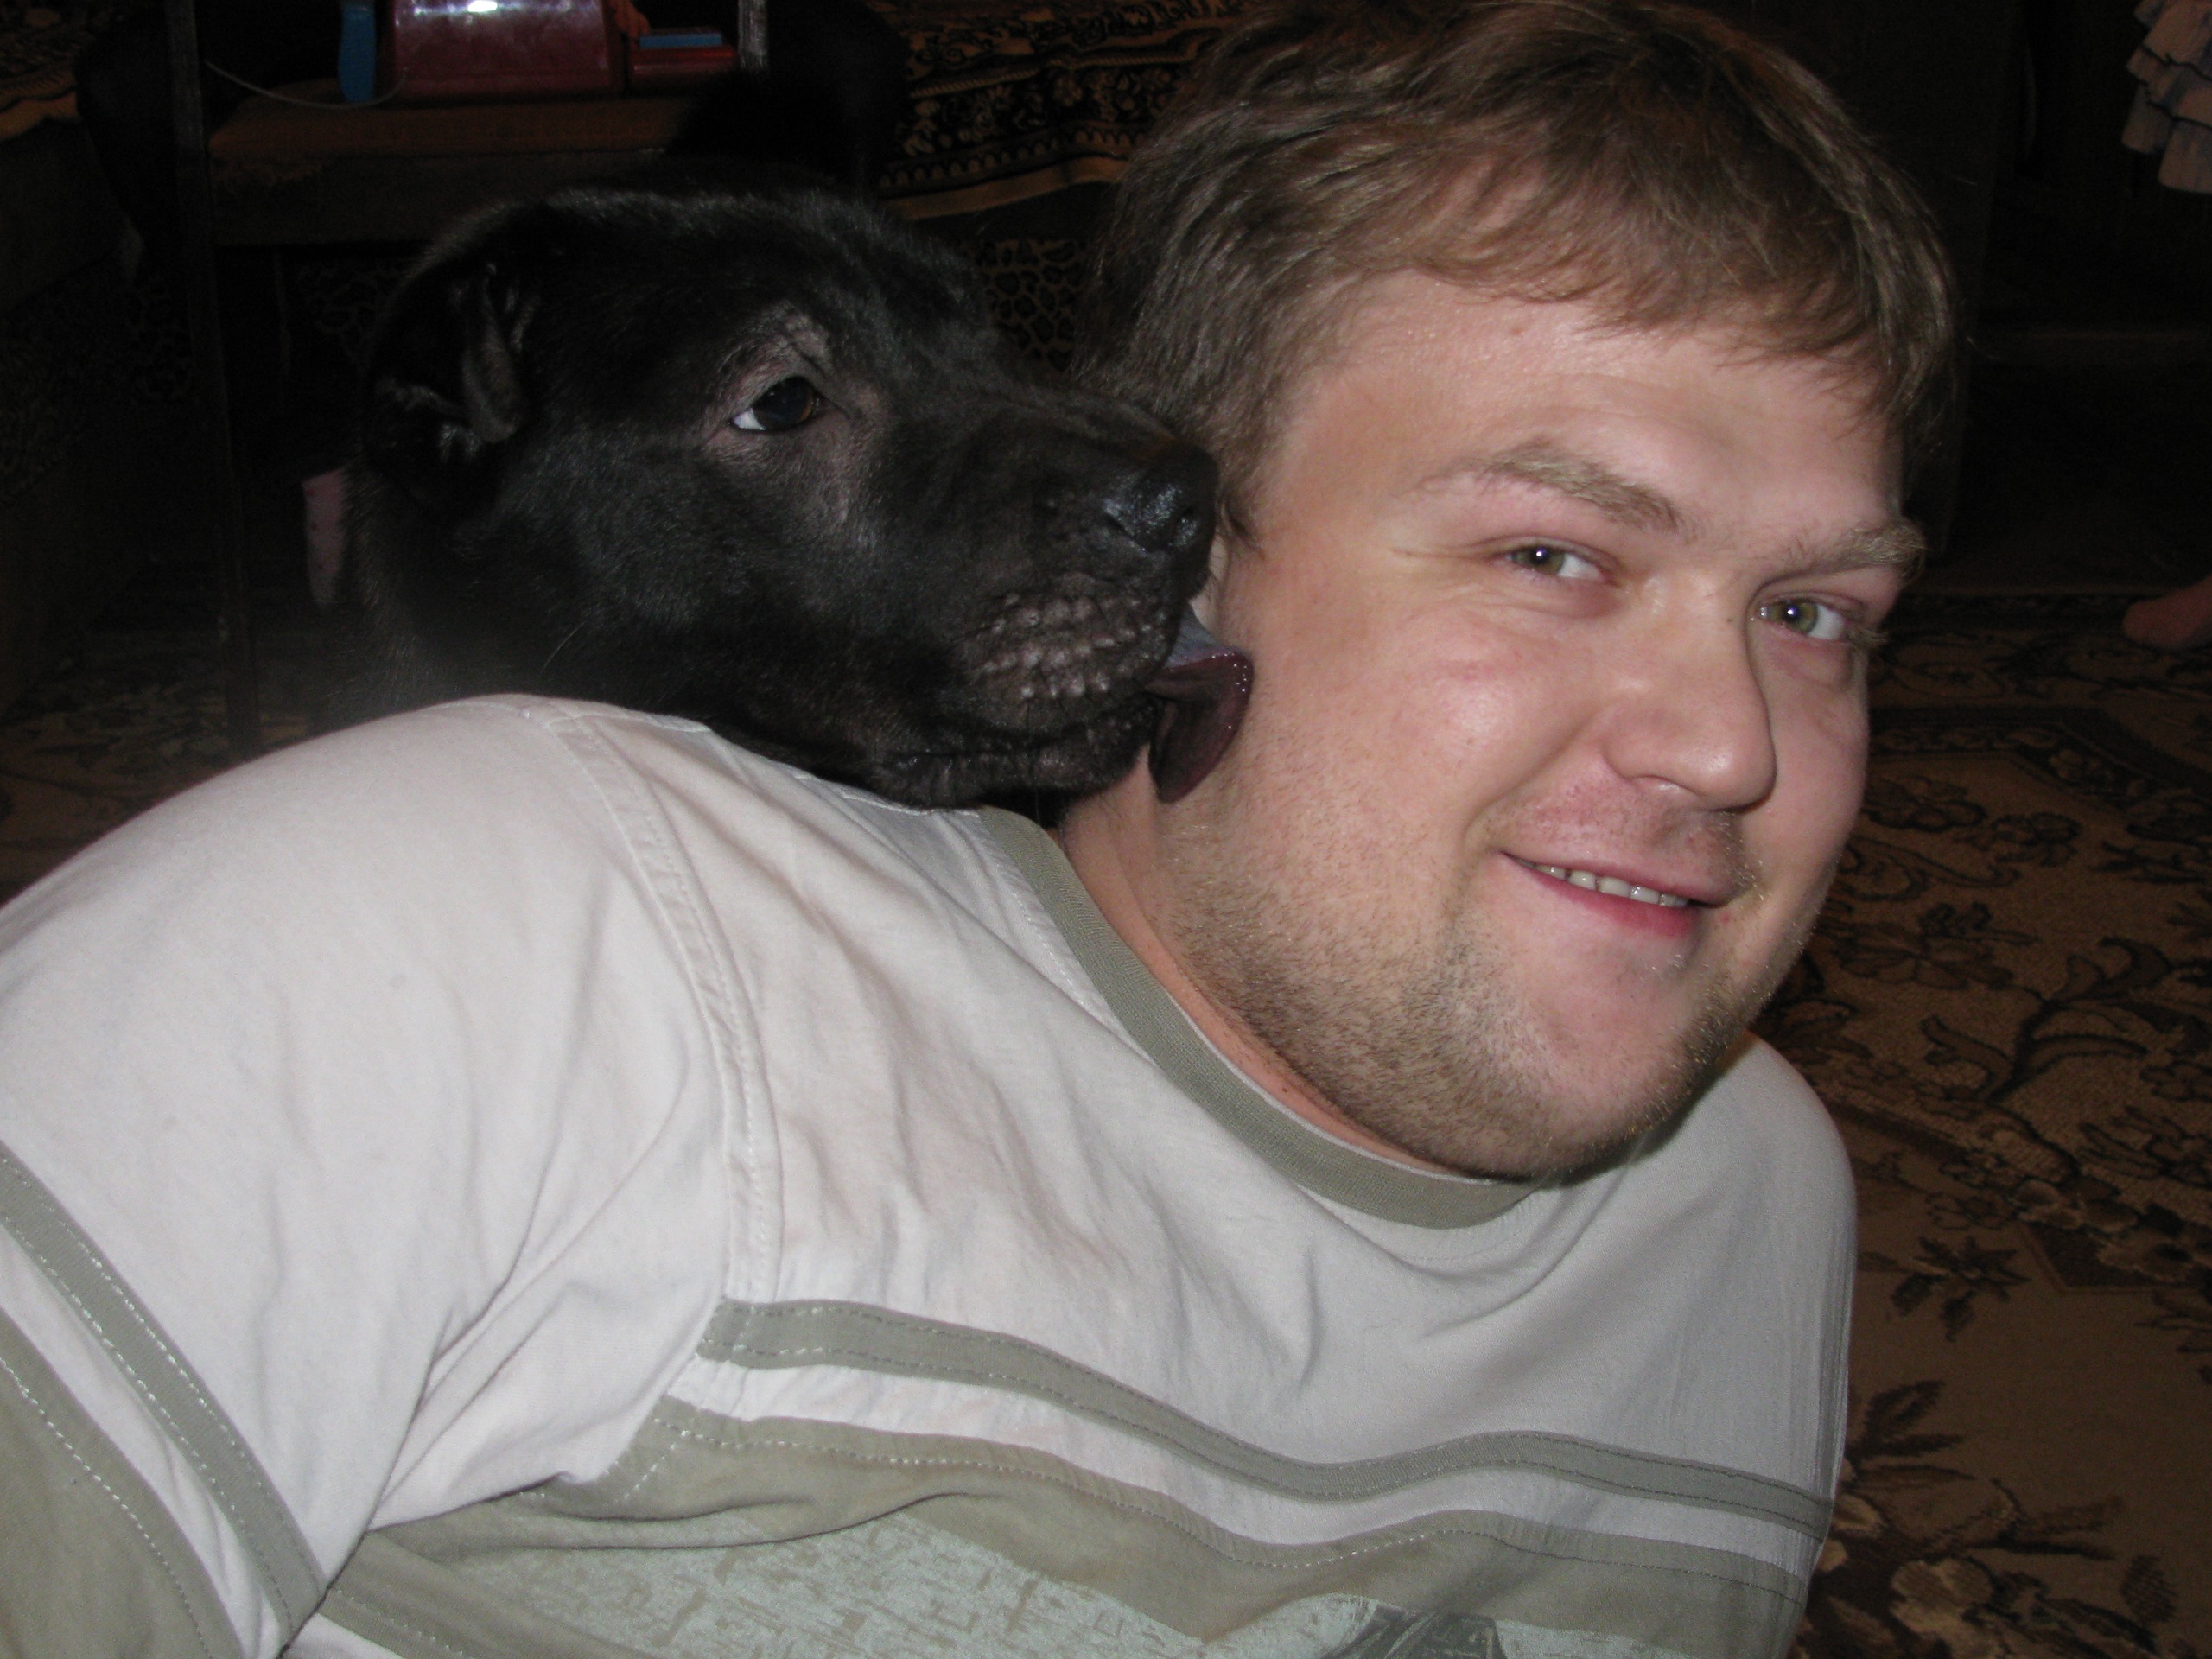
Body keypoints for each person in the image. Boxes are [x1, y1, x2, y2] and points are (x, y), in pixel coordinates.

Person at [0, 2, 1951, 1655]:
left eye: (1814, 613)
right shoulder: (437, 950)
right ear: (1196, 551)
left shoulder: (1757, 1212)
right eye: (1552, 553)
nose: (1729, 750)